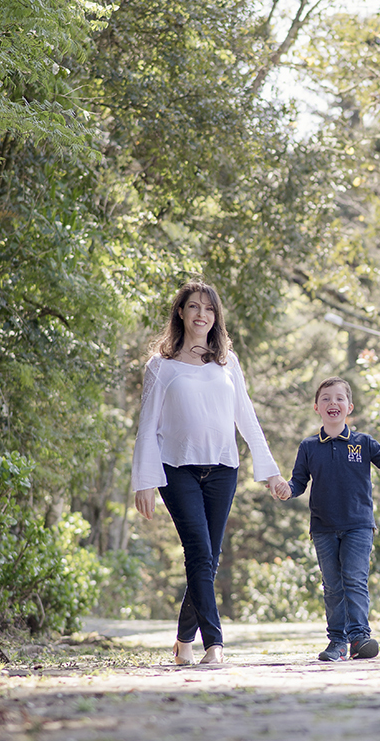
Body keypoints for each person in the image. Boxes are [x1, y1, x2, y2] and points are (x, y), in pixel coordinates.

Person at [132, 280, 289, 665]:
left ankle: (184, 641)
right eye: (194, 306)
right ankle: (214, 644)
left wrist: (271, 472)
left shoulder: (227, 362)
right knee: (199, 553)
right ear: (180, 312)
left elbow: (247, 419)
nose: (201, 314)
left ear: (216, 317)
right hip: (176, 469)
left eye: (209, 308)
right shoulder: (161, 366)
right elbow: (147, 426)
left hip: (223, 468)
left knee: (208, 560)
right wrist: (144, 481)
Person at [275, 377, 380, 662]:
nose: (333, 403)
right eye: (326, 398)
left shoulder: (363, 443)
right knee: (333, 586)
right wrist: (286, 490)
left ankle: (359, 638)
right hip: (323, 528)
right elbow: (298, 483)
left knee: (355, 580)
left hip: (359, 525)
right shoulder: (308, 446)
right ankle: (337, 643)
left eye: (339, 398)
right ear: (316, 407)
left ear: (349, 407)